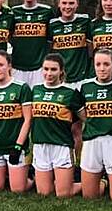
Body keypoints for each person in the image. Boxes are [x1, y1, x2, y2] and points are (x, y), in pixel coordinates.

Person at [76, 49, 112, 201]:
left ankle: (109, 178)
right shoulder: (85, 87)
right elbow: (82, 113)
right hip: (91, 141)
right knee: (89, 196)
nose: (102, 68)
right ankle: (104, 181)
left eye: (106, 64)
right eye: (98, 64)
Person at [31, 53, 83, 197]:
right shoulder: (35, 90)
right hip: (40, 146)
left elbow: (84, 120)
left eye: (53, 69)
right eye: (46, 69)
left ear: (61, 71)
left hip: (62, 146)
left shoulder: (71, 93)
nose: (49, 73)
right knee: (44, 193)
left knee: (63, 194)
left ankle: (96, 181)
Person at [0, 50, 33, 193]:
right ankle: (6, 173)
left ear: (9, 66)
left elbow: (28, 119)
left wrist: (18, 146)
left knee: (17, 190)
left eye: (0, 65)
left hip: (14, 147)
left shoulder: (21, 87)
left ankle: (32, 176)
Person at [10, 0, 54, 88]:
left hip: (39, 68)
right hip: (17, 67)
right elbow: (8, 36)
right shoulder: (13, 12)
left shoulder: (47, 11)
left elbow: (51, 40)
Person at [47, 0, 91, 83]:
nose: (67, 7)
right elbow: (49, 51)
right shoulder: (52, 25)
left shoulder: (85, 21)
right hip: (60, 80)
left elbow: (90, 49)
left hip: (82, 79)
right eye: (64, 3)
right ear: (59, 4)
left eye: (71, 3)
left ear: (77, 4)